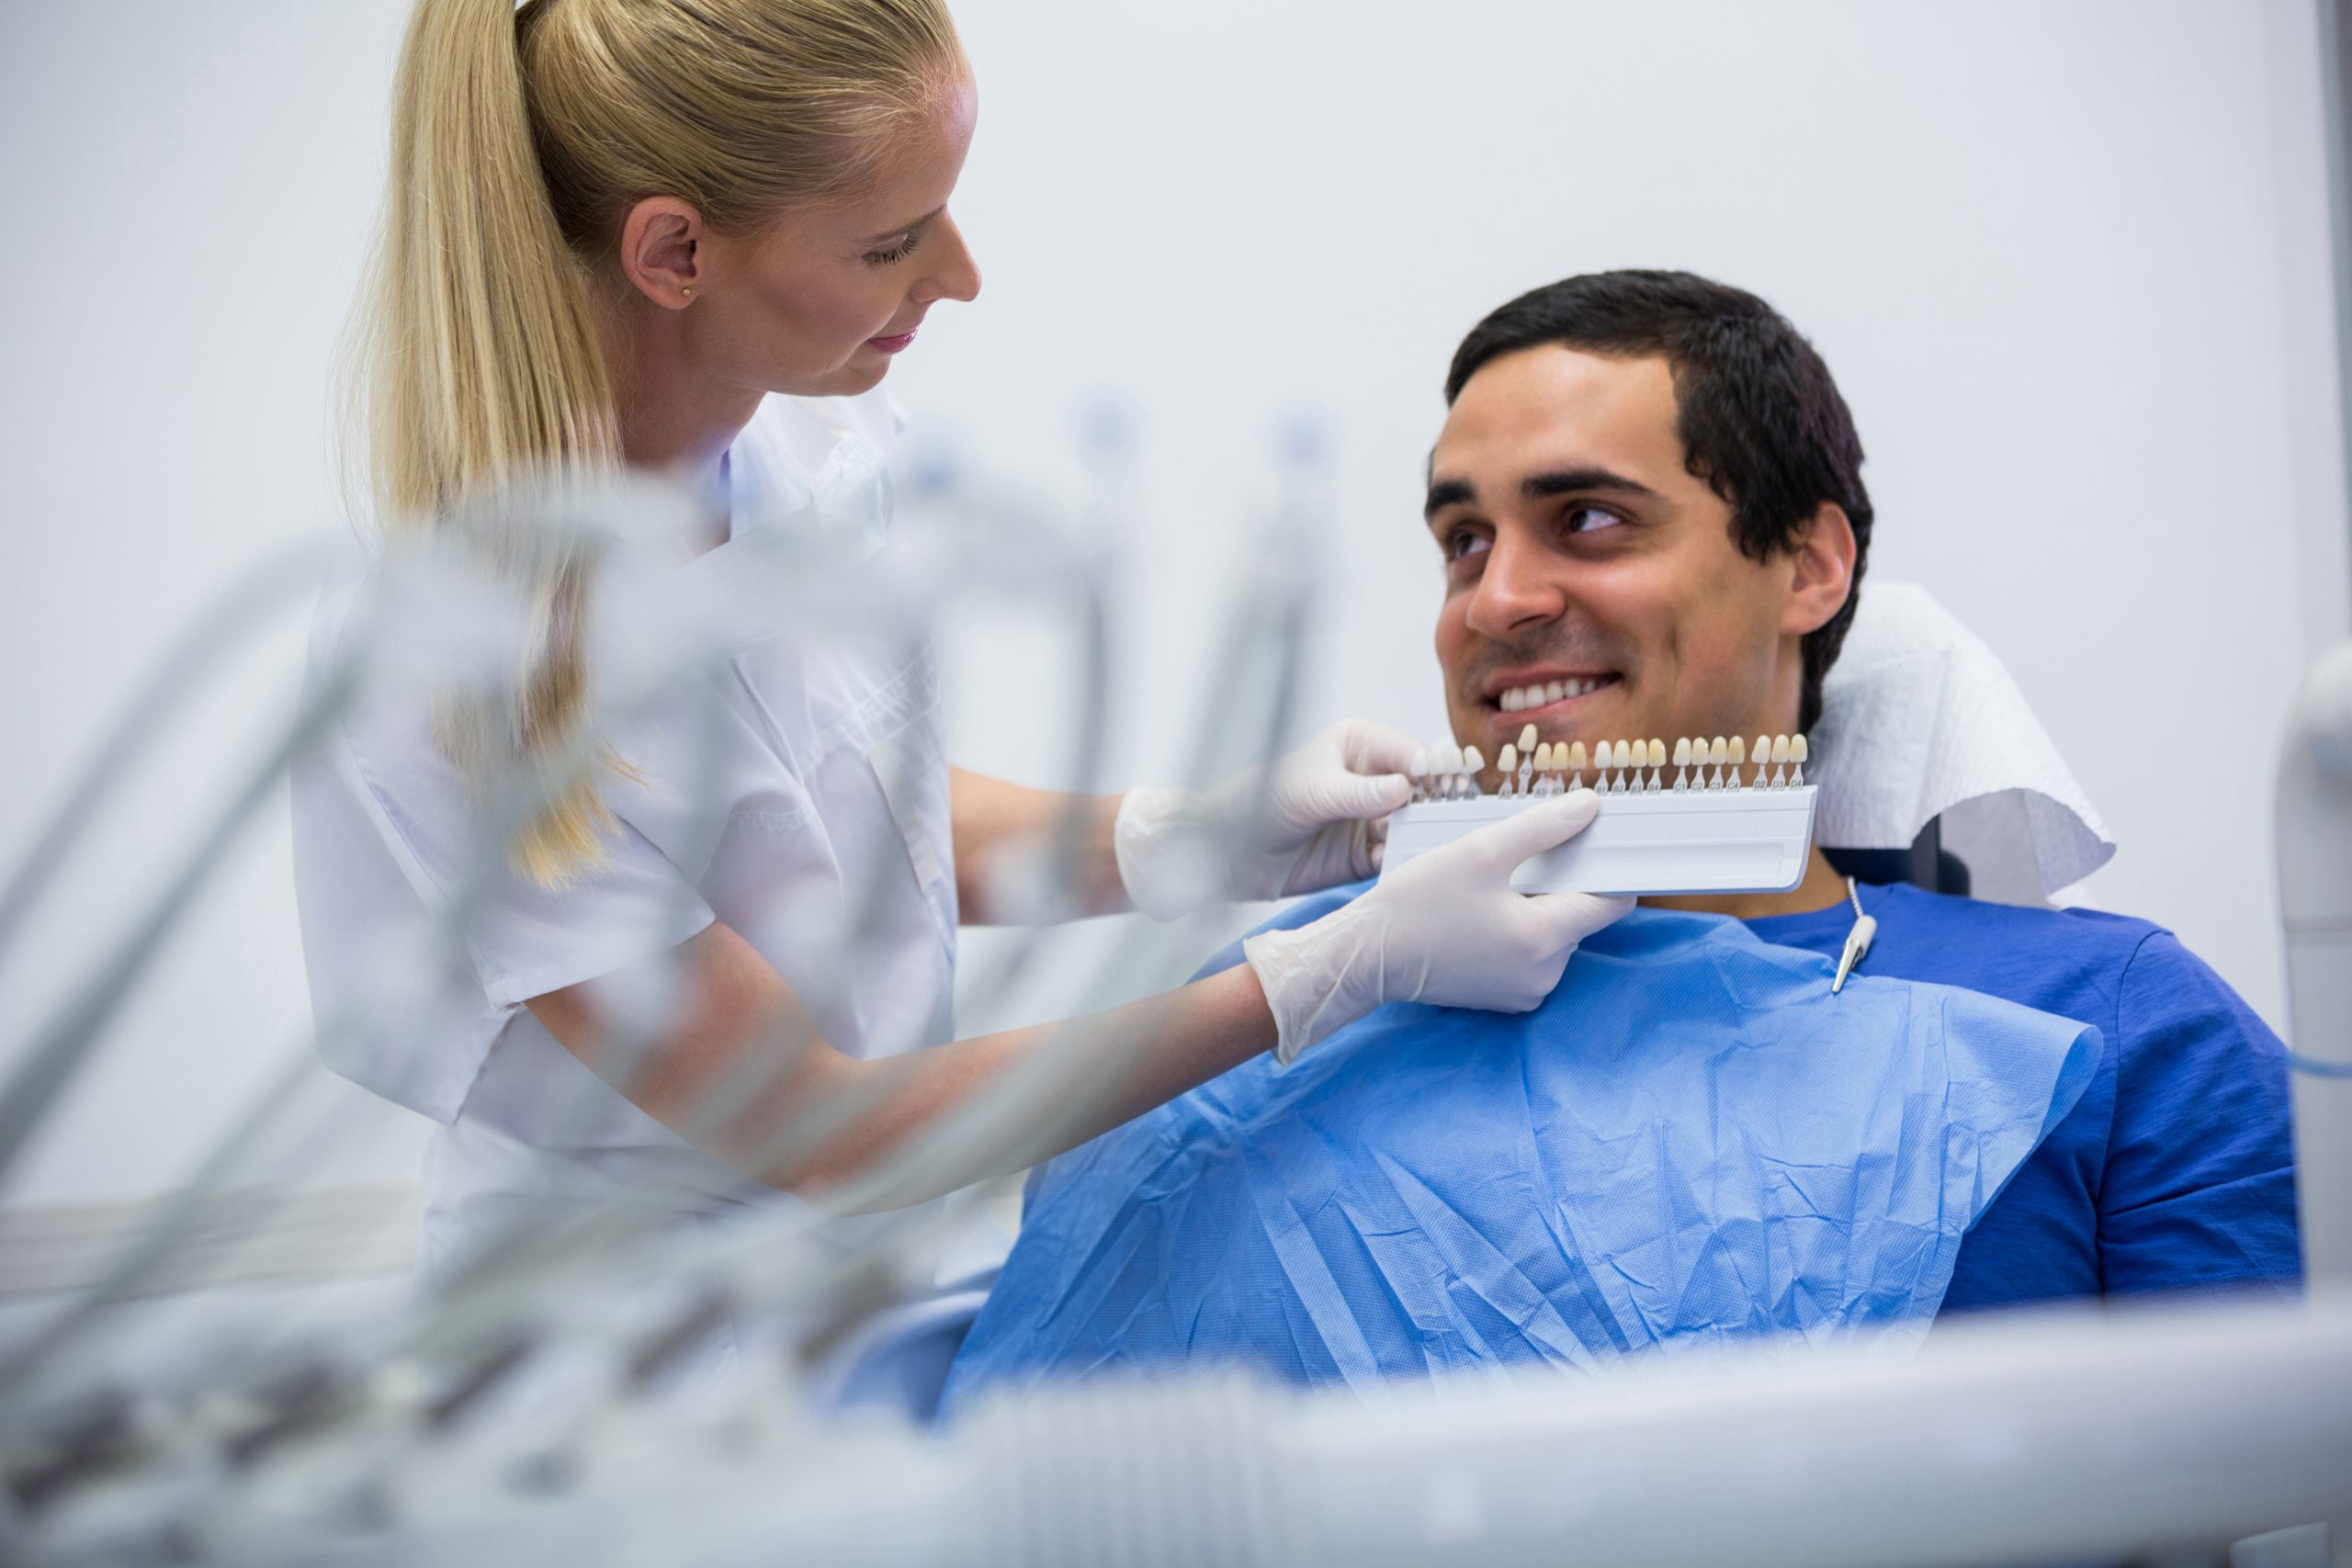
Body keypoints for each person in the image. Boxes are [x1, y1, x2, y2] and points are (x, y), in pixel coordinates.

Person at [290, 0, 1629, 1318]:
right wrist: (1325, 973)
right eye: (890, 244)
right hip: (615, 1349)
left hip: (880, 1271)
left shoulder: (808, 450)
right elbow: (820, 1128)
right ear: (675, 252)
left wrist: (1200, 838)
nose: (962, 275)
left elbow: (834, 824)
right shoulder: (458, 667)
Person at [945, 272, 2301, 1403]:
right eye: (1463, 542)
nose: (1499, 600)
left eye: (1585, 519)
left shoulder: (2118, 1027)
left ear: (1811, 567)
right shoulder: (1283, 1010)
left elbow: (2266, 1496)